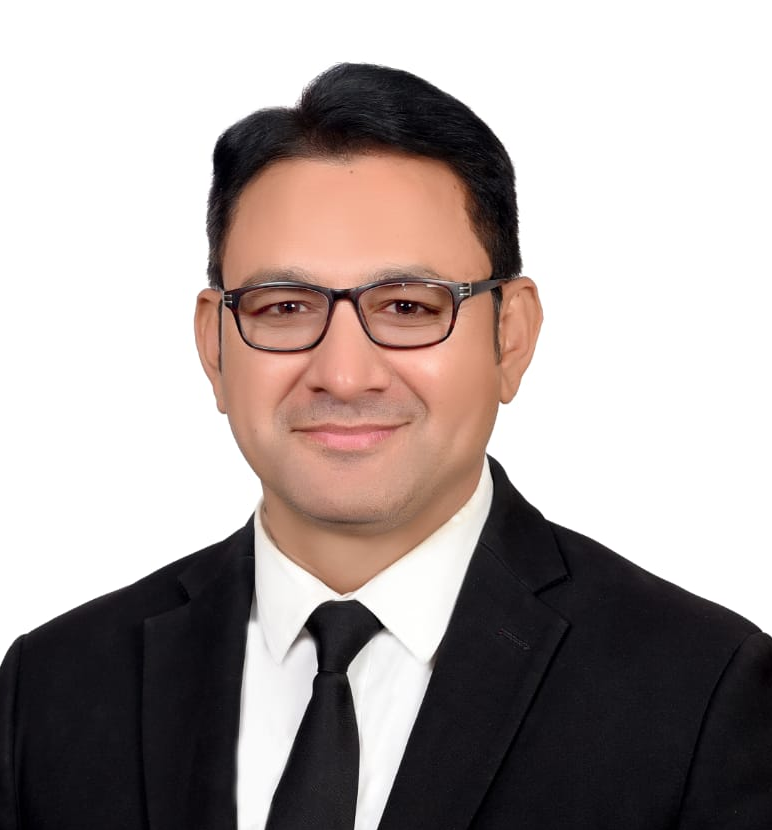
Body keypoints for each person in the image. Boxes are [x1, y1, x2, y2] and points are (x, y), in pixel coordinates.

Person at [1, 62, 770, 830]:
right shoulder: (51, 685)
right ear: (214, 346)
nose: (344, 374)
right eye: (284, 307)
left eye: (407, 306)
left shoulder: (701, 693)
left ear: (510, 336)